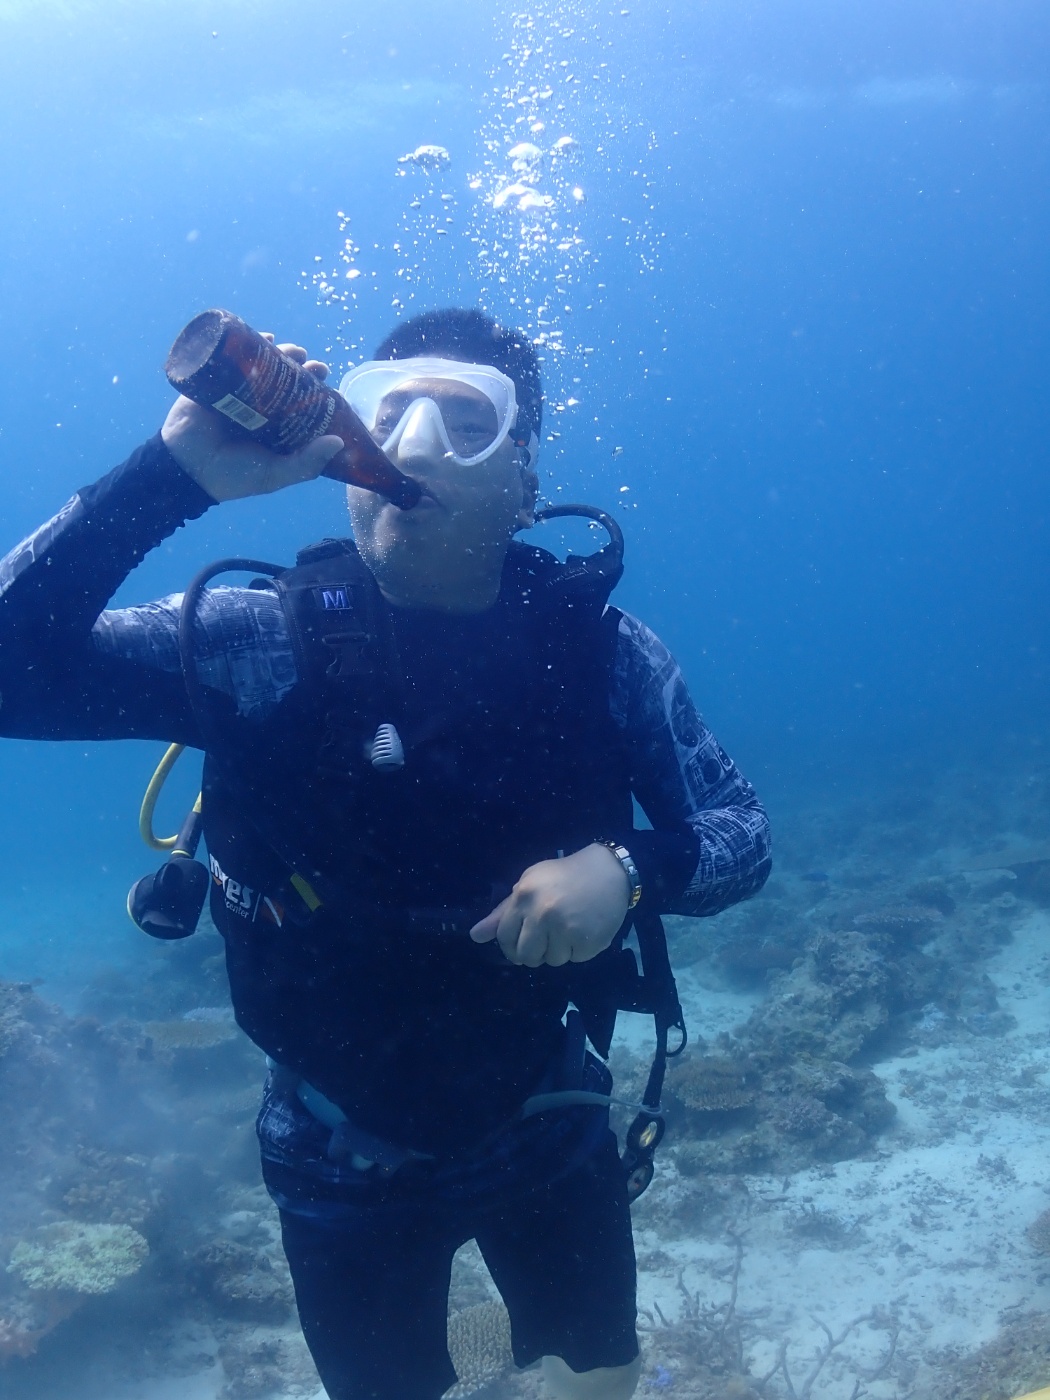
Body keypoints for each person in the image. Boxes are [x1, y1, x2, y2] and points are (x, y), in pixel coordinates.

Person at [0, 308, 771, 1400]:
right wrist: (171, 476)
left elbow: (744, 834)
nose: (414, 446)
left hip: (545, 1114)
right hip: (331, 1145)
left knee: (599, 1378)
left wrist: (631, 865)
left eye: (468, 421)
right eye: (391, 410)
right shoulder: (255, 637)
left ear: (525, 476)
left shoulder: (599, 653)